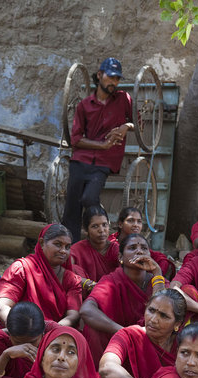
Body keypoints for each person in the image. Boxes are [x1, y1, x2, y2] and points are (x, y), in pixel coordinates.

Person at [62, 58, 133, 242]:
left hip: (104, 162)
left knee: (89, 198)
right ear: (100, 75)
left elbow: (137, 124)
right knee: (72, 208)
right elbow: (76, 139)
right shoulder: (84, 105)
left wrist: (127, 125)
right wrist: (101, 144)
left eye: (117, 79)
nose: (114, 82)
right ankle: (72, 249)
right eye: (110, 77)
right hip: (80, 160)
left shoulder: (124, 99)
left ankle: (102, 236)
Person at [81, 233, 169, 368]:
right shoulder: (112, 280)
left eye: (144, 248)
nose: (139, 251)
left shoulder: (158, 280)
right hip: (118, 344)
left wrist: (157, 273)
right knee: (93, 329)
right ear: (120, 257)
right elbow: (86, 310)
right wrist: (125, 333)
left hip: (149, 339)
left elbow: (165, 310)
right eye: (132, 247)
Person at [0, 224, 82, 326]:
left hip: (56, 334)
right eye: (58, 244)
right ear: (41, 243)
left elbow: (73, 315)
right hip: (19, 331)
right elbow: (2, 306)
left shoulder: (72, 280)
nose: (63, 251)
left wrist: (52, 331)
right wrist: (21, 329)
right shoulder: (22, 269)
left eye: (67, 247)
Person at [99, 289, 186, 378]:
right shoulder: (129, 335)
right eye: (151, 310)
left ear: (177, 324)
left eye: (163, 316)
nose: (153, 320)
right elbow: (107, 367)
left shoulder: (184, 345)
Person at [109, 206, 176, 279]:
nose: (136, 225)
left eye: (139, 221)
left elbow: (157, 257)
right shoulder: (112, 244)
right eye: (131, 220)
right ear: (120, 224)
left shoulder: (139, 241)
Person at [70, 206, 119, 294]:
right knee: (73, 269)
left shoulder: (115, 249)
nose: (101, 230)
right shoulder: (78, 249)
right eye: (95, 226)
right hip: (85, 296)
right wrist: (89, 284)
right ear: (86, 230)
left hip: (112, 294)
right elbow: (65, 269)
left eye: (104, 225)